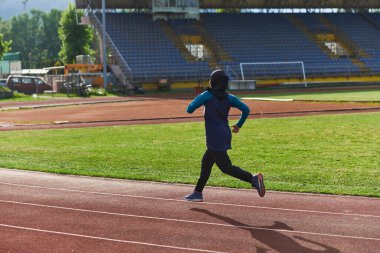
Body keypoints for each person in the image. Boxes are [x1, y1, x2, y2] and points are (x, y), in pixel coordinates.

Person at [185, 69, 265, 202]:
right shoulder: (230, 97)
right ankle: (198, 192)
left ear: (213, 82)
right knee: (206, 162)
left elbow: (189, 109)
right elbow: (246, 109)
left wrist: (200, 97)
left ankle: (253, 178)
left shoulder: (207, 95)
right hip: (224, 134)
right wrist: (238, 125)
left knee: (226, 167)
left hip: (214, 137)